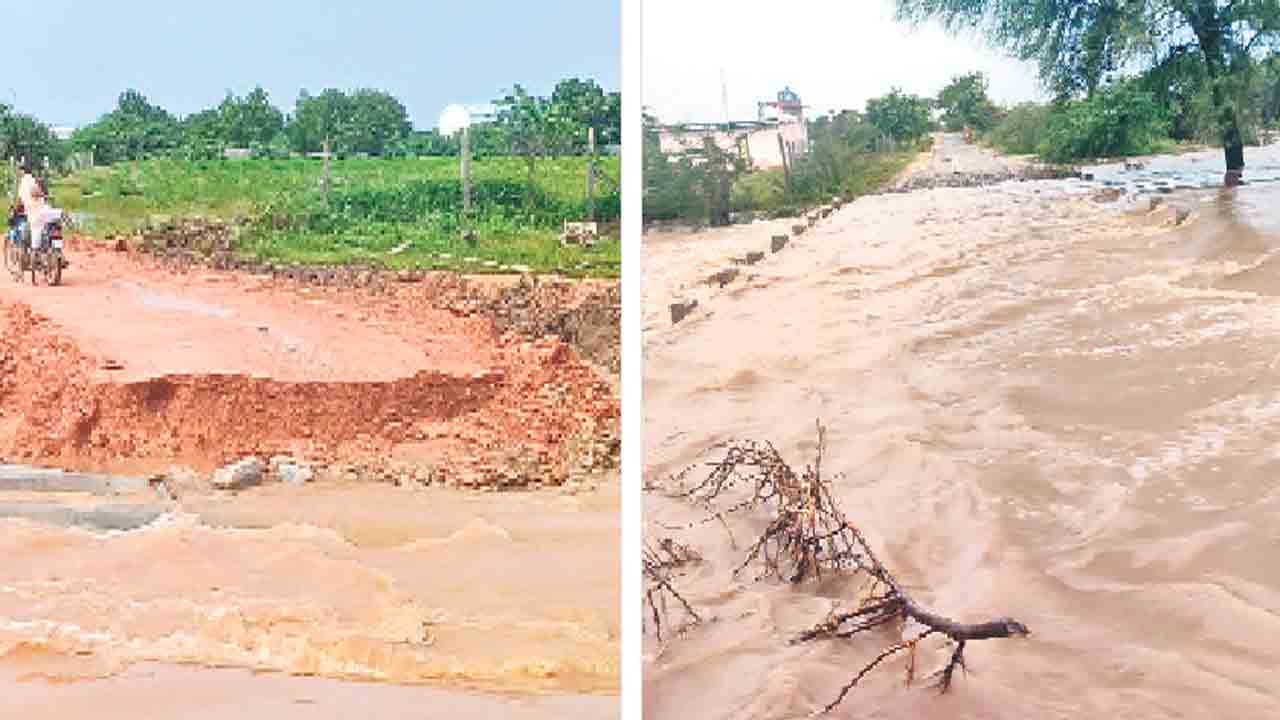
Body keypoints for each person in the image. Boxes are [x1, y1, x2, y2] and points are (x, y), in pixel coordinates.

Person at [17, 161, 61, 250]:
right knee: (56, 226)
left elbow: (24, 198)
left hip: (34, 213)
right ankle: (58, 250)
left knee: (34, 242)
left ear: (22, 171)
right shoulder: (34, 181)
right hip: (42, 210)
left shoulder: (25, 183)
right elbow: (43, 195)